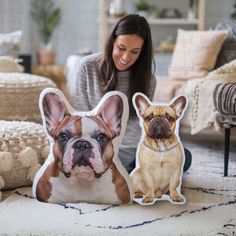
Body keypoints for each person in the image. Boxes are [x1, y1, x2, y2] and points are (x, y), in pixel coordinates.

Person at [74, 14, 191, 173]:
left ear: (142, 52)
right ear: (112, 41)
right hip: (97, 147)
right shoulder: (87, 67)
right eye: (121, 48)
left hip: (133, 148)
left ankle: (122, 173)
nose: (125, 57)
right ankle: (124, 174)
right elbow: (81, 118)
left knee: (185, 156)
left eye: (134, 52)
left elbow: (141, 124)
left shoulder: (147, 79)